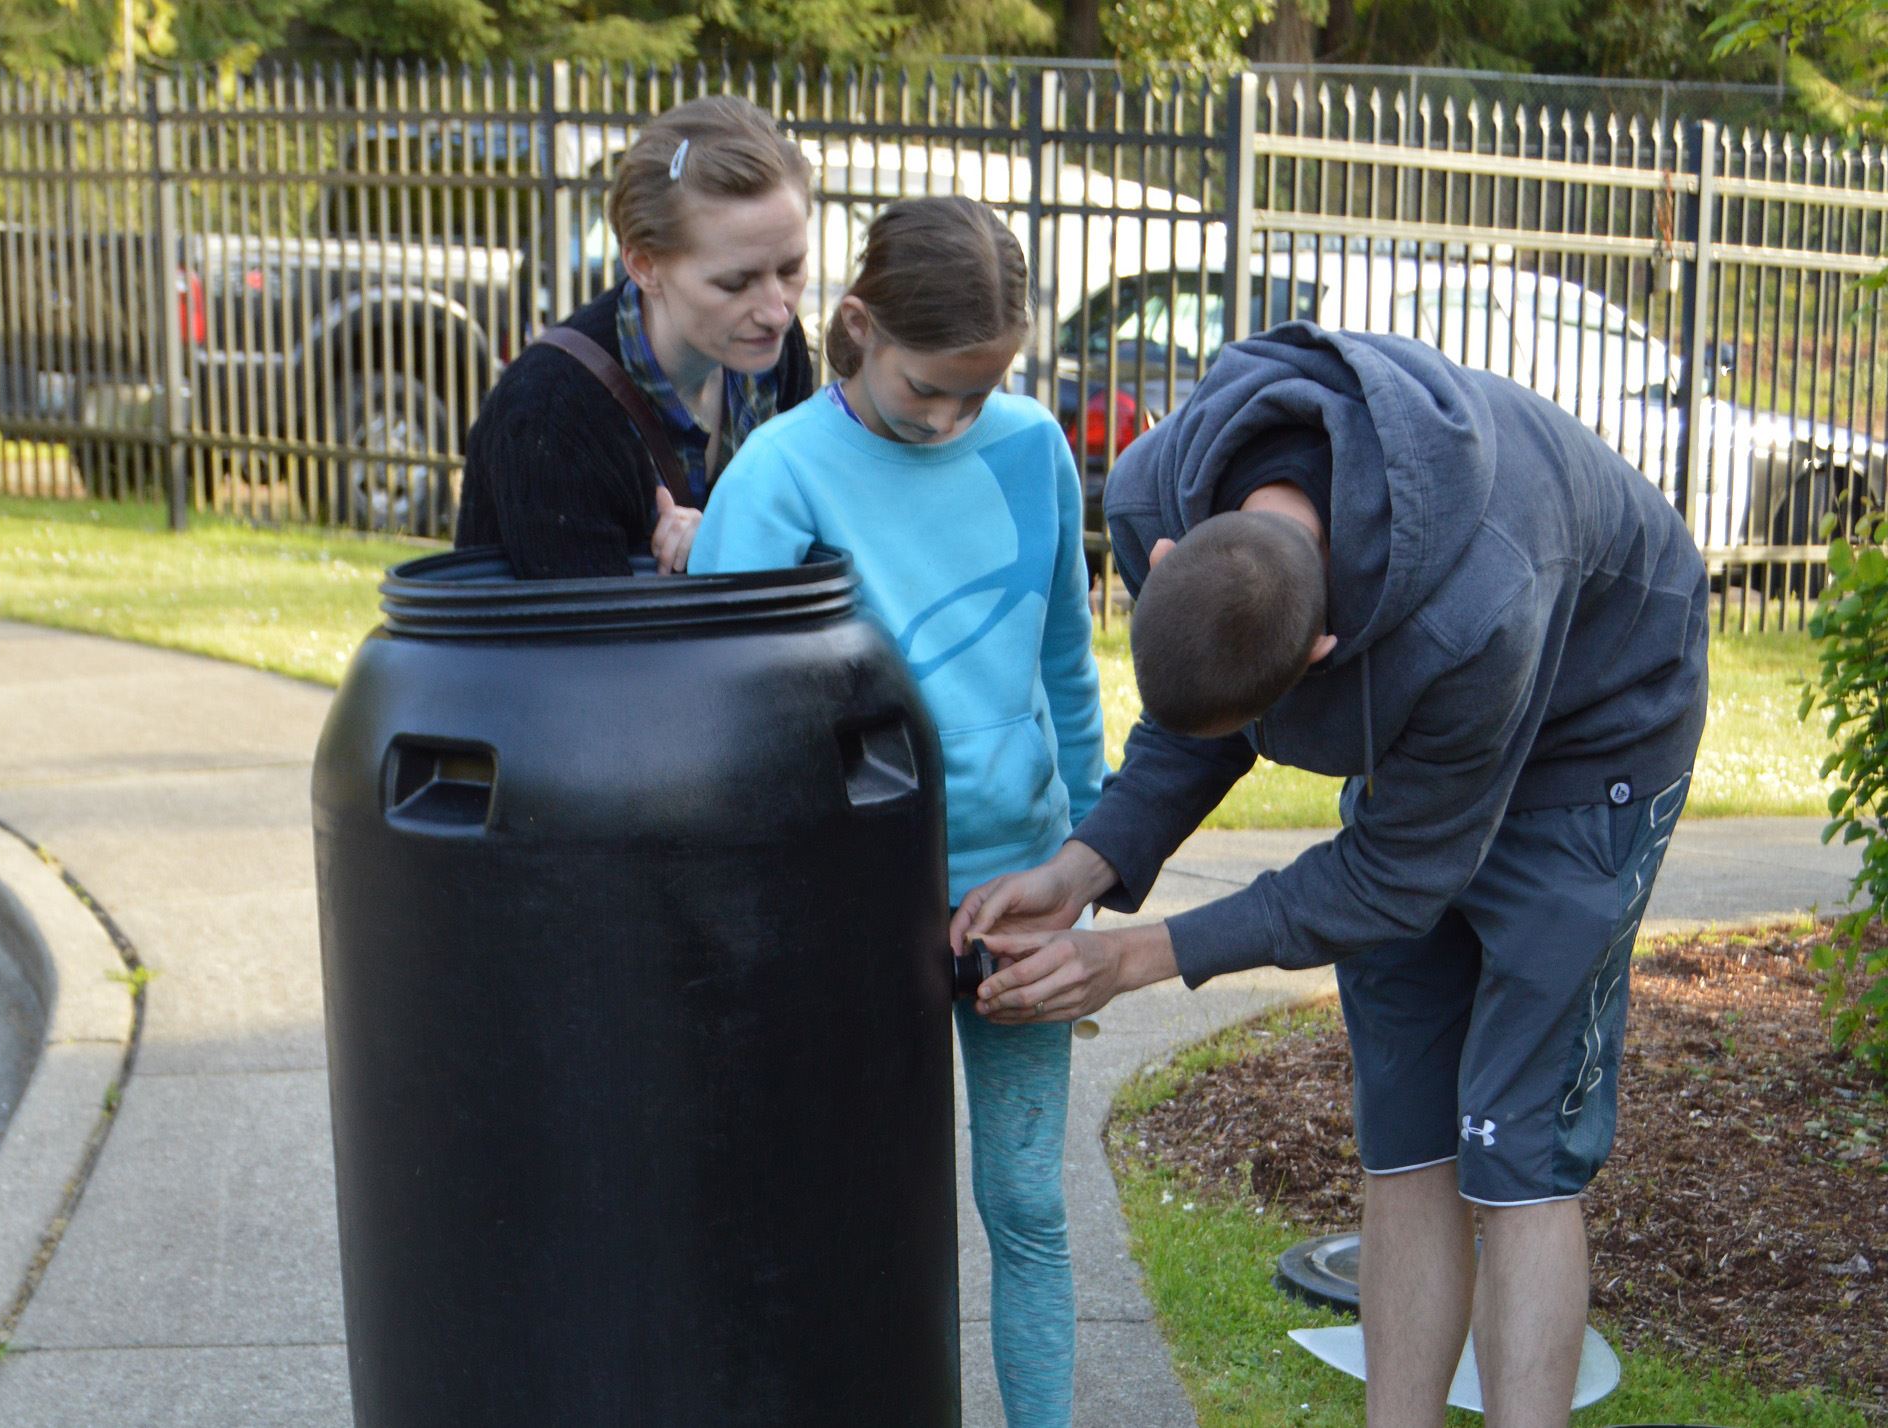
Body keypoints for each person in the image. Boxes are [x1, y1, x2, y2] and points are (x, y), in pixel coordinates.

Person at [952, 323, 1709, 1428]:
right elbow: (1201, 704)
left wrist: (1133, 958)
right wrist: (1085, 864)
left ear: (1323, 652)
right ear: (1164, 559)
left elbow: (1395, 876)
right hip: (1436, 729)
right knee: (1405, 1130)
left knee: (1512, 1145)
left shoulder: (1468, 614)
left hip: (1591, 736)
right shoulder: (1159, 497)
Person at [689, 195, 1103, 1428]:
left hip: (1020, 896)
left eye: (980, 391)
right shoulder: (775, 476)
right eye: (930, 389)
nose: (952, 418)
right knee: (859, 1208)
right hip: (849, 915)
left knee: (1026, 1205)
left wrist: (1086, 872)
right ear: (857, 326)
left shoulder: (1031, 448)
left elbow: (1066, 665)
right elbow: (731, 727)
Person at [454, 95, 817, 578]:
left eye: (791, 269)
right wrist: (711, 558)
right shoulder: (550, 413)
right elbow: (590, 643)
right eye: (736, 282)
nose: (777, 311)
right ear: (644, 266)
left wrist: (720, 539)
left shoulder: (774, 357)